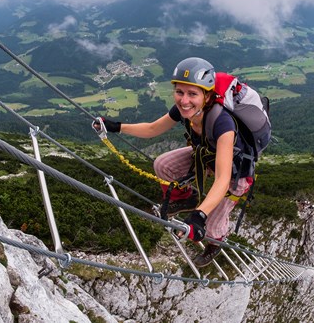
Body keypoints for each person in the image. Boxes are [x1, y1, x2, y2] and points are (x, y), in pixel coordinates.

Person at [94, 57, 253, 268]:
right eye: (180, 92)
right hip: (206, 155)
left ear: (206, 96)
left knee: (212, 225)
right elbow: (152, 129)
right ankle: (186, 199)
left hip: (235, 171)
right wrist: (117, 126)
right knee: (163, 165)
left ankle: (216, 243)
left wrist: (199, 215)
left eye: (192, 94)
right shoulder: (182, 111)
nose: (184, 100)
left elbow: (223, 179)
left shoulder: (222, 123)